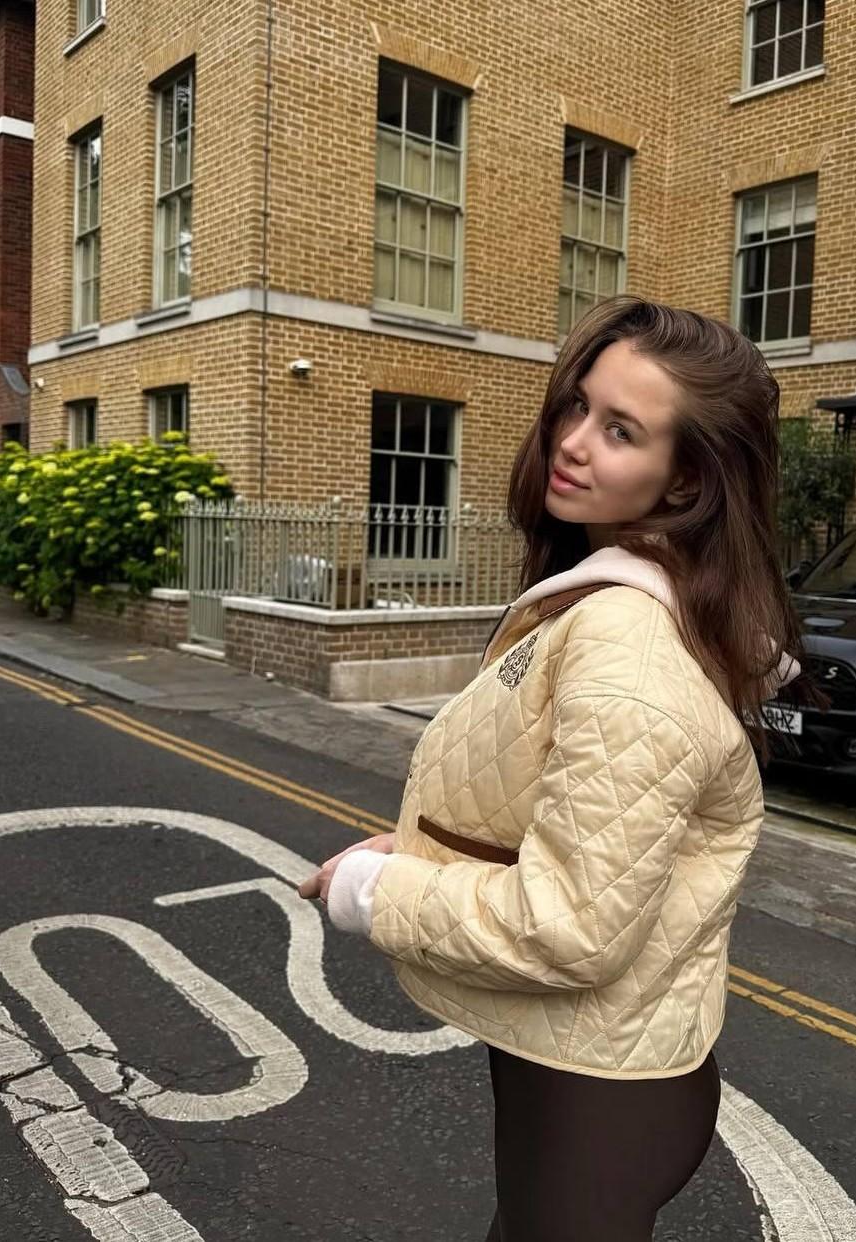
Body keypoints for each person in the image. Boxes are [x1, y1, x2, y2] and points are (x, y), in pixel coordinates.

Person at [298, 295, 806, 1241]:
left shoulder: (628, 646)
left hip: (596, 1105)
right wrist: (418, 852)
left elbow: (570, 926)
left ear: (686, 481)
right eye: (578, 405)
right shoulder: (615, 602)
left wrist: (372, 892)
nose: (572, 442)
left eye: (620, 430)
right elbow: (571, 823)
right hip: (582, 1073)